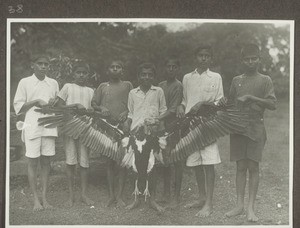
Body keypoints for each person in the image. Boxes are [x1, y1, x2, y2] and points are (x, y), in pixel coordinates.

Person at [225, 44, 276, 222]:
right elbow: (230, 103)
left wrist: (251, 98)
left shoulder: (265, 80)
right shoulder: (236, 80)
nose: (250, 61)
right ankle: (239, 205)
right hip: (238, 128)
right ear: (242, 61)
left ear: (259, 59)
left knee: (253, 167)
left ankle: (250, 208)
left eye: (254, 58)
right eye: (247, 59)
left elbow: (272, 104)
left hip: (256, 127)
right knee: (240, 167)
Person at [176, 44, 224, 217]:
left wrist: (204, 104)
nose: (204, 58)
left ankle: (209, 204)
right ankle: (202, 197)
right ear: (195, 57)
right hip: (190, 126)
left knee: (209, 163)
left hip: (207, 125)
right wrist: (181, 107)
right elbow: (184, 100)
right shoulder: (187, 78)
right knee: (195, 163)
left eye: (207, 56)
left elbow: (220, 102)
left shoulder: (216, 77)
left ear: (211, 58)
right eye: (200, 55)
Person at [14, 54, 59, 211]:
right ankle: (35, 200)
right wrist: (36, 101)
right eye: (40, 63)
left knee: (46, 162)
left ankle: (45, 199)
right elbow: (18, 108)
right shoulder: (25, 82)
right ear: (33, 65)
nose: (43, 66)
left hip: (49, 126)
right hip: (32, 125)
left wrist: (54, 103)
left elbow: (56, 106)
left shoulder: (53, 83)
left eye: (46, 64)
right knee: (32, 162)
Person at [124, 62, 167, 212]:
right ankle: (136, 199)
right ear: (138, 76)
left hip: (152, 134)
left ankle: (152, 200)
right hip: (136, 134)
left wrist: (158, 127)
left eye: (150, 74)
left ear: (154, 76)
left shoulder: (158, 91)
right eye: (143, 74)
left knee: (152, 167)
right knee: (135, 167)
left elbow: (163, 112)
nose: (146, 77)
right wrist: (128, 124)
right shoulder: (132, 93)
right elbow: (130, 112)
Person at [91, 60, 133, 207]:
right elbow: (94, 104)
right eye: (112, 67)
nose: (115, 69)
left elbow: (134, 104)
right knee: (109, 162)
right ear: (107, 70)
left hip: (124, 128)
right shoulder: (103, 86)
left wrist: (127, 112)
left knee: (122, 161)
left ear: (122, 70)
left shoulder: (128, 85)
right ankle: (111, 195)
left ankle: (120, 196)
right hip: (107, 128)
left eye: (118, 67)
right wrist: (101, 108)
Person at [56, 61, 94, 207]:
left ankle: (84, 195)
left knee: (84, 162)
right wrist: (74, 105)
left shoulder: (91, 91)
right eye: (78, 72)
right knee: (70, 161)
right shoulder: (67, 87)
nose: (81, 75)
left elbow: (92, 108)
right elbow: (59, 106)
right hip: (70, 128)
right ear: (73, 74)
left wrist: (91, 110)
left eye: (84, 73)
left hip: (85, 129)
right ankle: (71, 196)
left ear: (88, 75)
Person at [158, 58, 184, 206]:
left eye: (174, 66)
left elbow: (173, 109)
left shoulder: (178, 85)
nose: (171, 69)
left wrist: (158, 118)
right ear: (165, 68)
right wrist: (159, 121)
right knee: (165, 159)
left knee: (177, 160)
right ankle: (166, 194)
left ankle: (176, 195)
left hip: (174, 126)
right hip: (162, 127)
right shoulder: (160, 86)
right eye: (169, 66)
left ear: (178, 69)